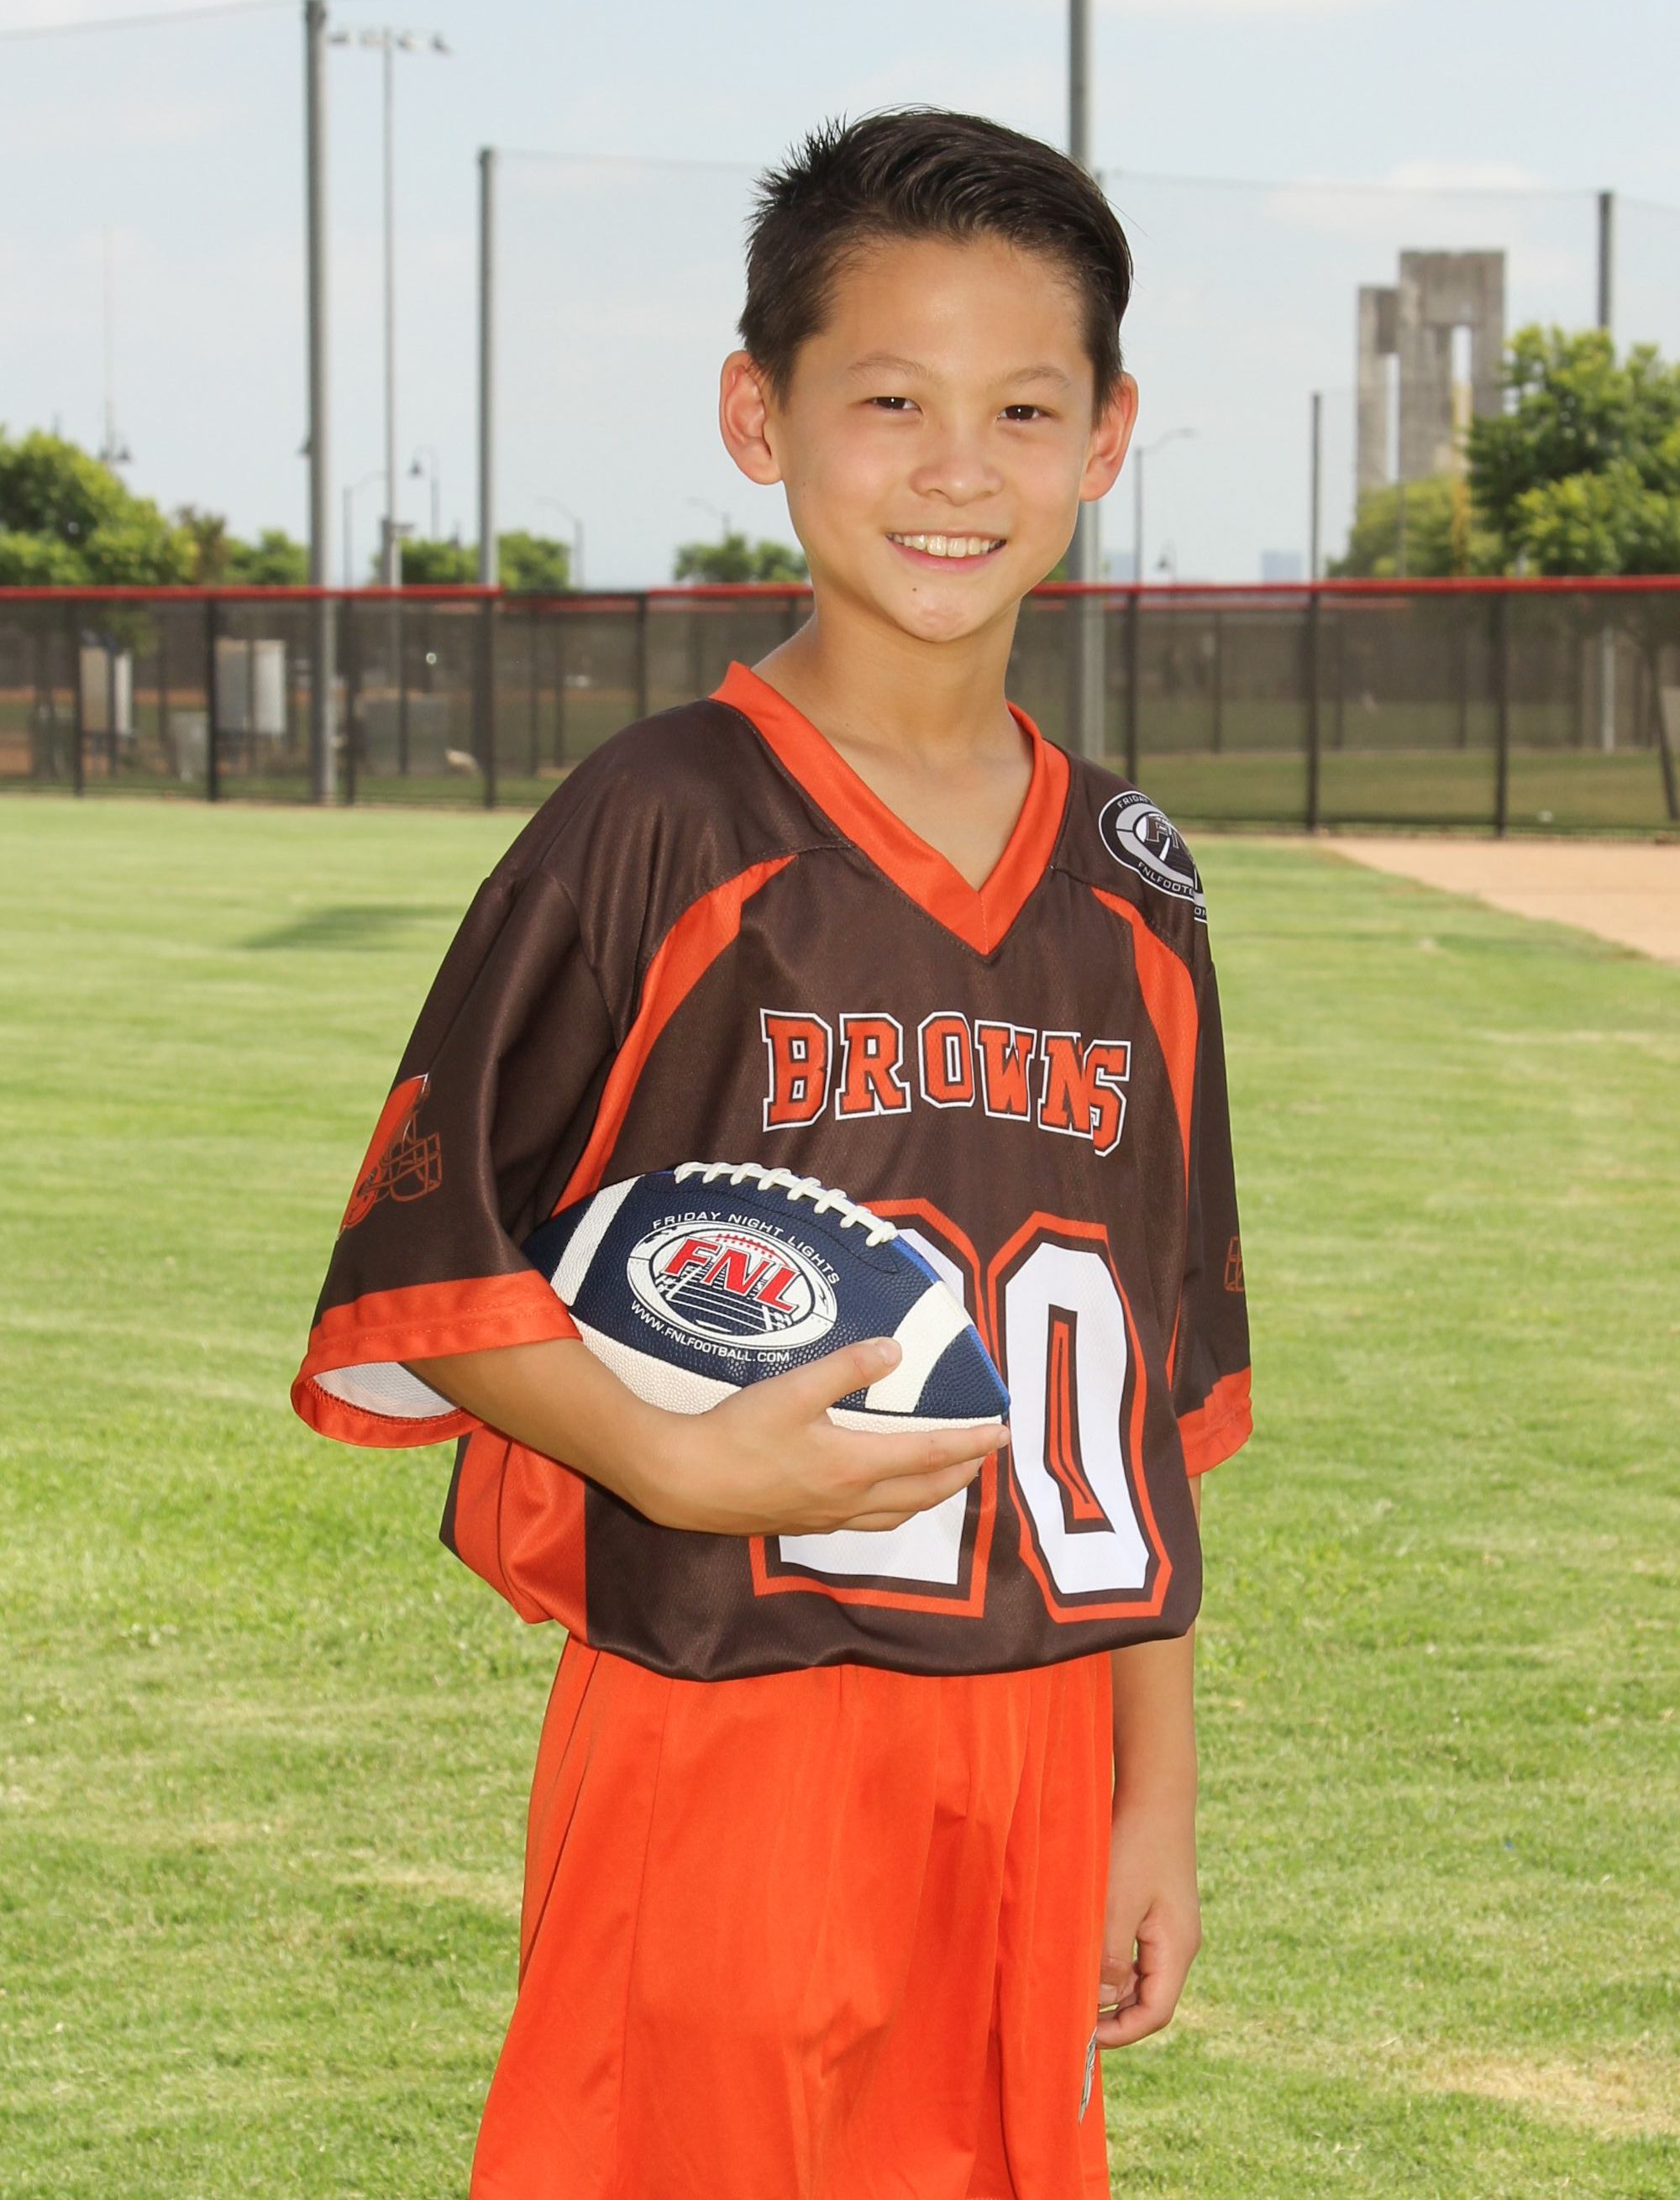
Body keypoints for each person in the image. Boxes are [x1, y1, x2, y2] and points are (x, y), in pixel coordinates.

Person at [292, 108, 1251, 2200]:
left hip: (1035, 1734)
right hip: (722, 1706)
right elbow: (425, 1269)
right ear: (760, 415)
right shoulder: (664, 817)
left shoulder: (1135, 880)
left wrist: (1152, 1797)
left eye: (1022, 408)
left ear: (1105, 437)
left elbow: (1147, 1402)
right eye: (888, 399)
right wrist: (675, 1456)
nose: (955, 467)